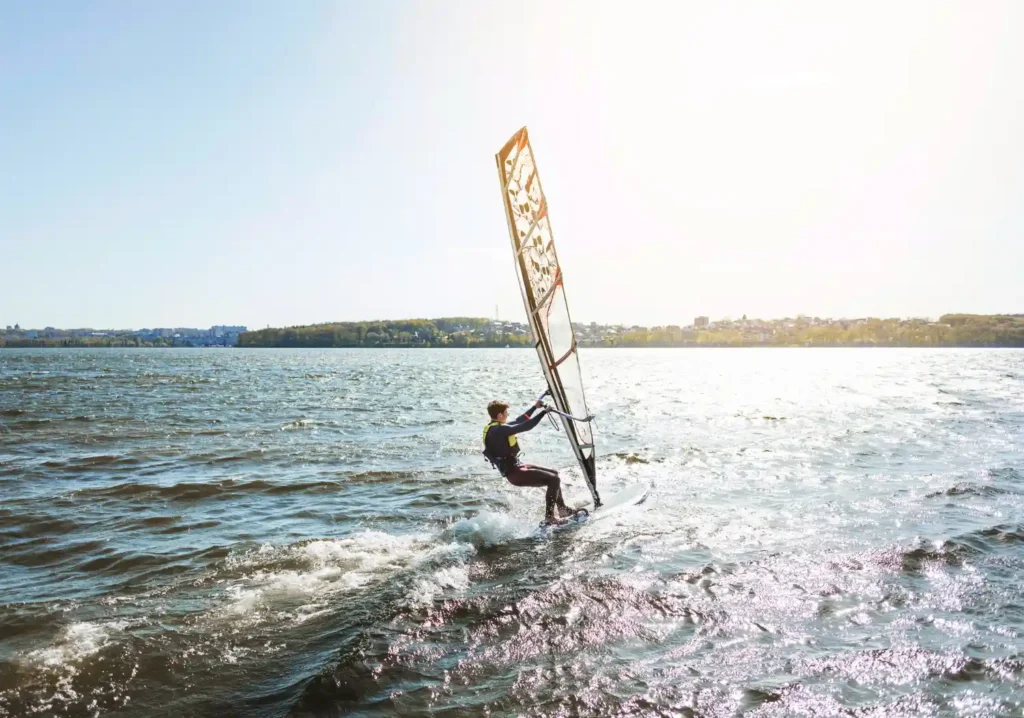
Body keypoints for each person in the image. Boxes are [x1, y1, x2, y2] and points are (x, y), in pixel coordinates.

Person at [482, 392, 576, 526]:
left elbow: (520, 420)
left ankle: (562, 509)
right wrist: (544, 412)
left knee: (554, 474)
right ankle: (549, 517)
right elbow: (526, 426)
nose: (508, 415)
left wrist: (535, 407)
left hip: (516, 467)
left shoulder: (494, 427)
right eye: (506, 413)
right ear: (500, 415)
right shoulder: (499, 430)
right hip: (515, 473)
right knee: (554, 480)